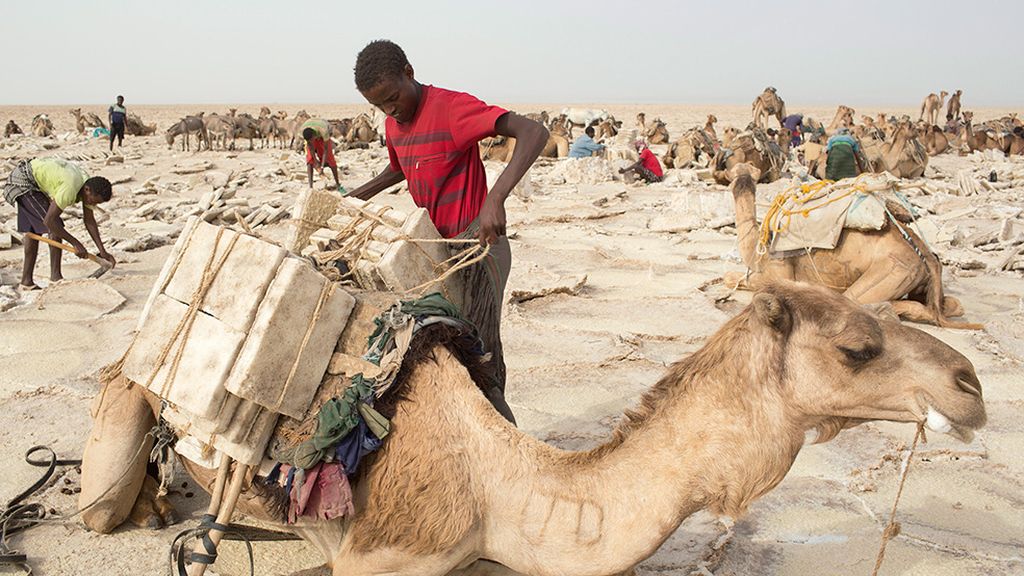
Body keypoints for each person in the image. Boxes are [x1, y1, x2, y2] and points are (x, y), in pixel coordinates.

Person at [347, 40, 548, 423]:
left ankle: (509, 442)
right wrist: (355, 196)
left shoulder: (451, 108)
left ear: (409, 73)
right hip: (440, 252)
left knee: (480, 354)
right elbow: (399, 168)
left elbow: (533, 132)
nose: (390, 110)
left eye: (393, 98)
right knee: (444, 348)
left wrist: (496, 198)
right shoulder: (394, 124)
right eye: (380, 106)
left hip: (479, 245)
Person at [2, 157, 114, 290]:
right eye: (93, 200)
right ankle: (56, 278)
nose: (93, 204)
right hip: (22, 182)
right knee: (54, 226)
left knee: (33, 232)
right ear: (87, 190)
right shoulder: (70, 187)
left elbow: (89, 221)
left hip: (33, 181)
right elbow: (50, 221)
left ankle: (26, 282)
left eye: (97, 203)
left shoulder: (88, 186)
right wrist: (76, 243)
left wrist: (103, 251)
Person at [301, 118, 341, 190]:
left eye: (312, 140)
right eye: (310, 141)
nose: (312, 141)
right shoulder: (303, 131)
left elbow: (326, 150)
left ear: (314, 135)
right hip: (311, 133)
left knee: (330, 159)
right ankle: (310, 187)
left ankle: (338, 184)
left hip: (322, 136)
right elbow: (310, 148)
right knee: (309, 160)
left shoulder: (323, 130)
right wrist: (316, 163)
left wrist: (322, 166)